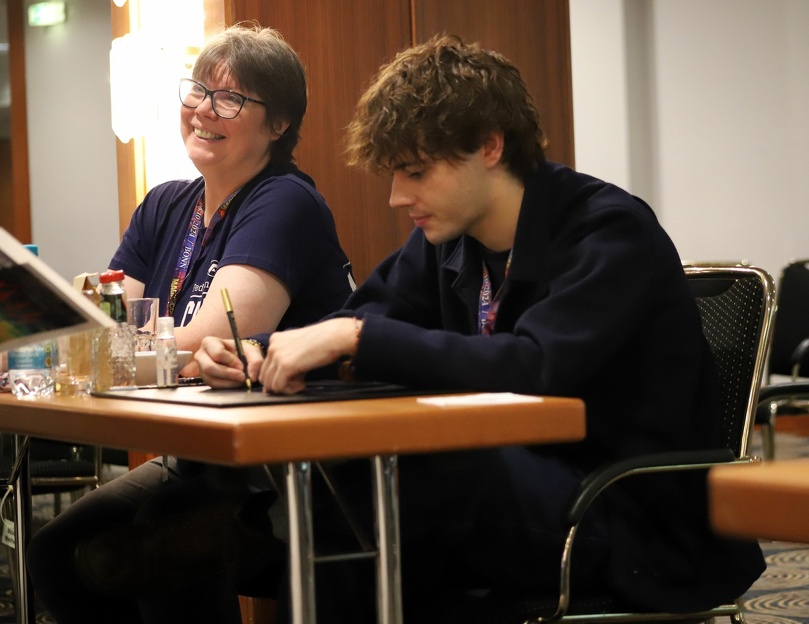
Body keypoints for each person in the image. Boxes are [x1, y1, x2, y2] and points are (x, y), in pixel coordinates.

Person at [196, 34, 766, 621]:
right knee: (345, 503)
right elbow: (361, 319)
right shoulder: (448, 238)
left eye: (415, 172)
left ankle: (253, 549)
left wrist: (356, 339)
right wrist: (258, 352)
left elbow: (534, 365)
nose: (397, 197)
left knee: (389, 494)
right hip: (518, 486)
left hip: (627, 514)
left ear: (490, 146)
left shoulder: (609, 231)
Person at [26, 23, 355, 624]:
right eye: (198, 90)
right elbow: (105, 320)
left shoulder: (285, 201)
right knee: (56, 552)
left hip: (291, 468)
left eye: (230, 98)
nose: (203, 109)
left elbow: (208, 341)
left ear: (278, 124)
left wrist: (104, 346)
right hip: (201, 456)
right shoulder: (165, 203)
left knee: (163, 539)